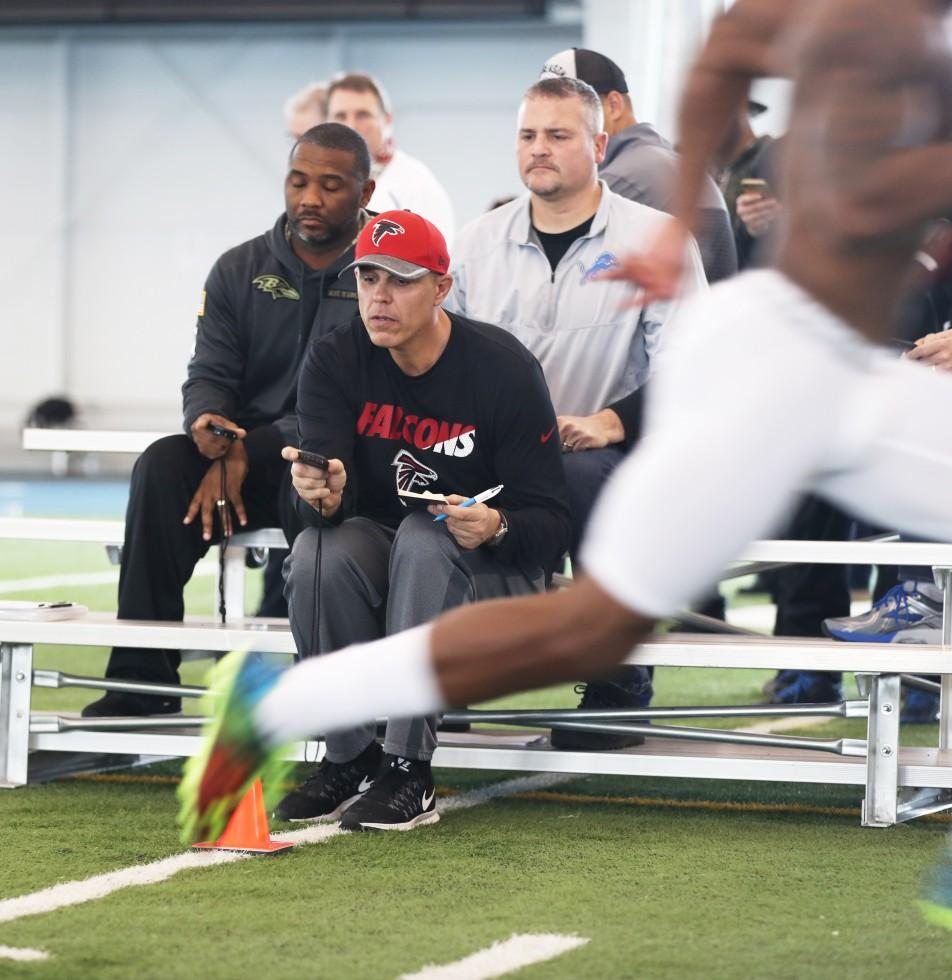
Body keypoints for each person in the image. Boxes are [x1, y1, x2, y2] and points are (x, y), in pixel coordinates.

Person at [182, 1, 952, 943]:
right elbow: (751, 77)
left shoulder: (893, 43)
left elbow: (728, 63)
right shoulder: (881, 36)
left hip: (780, 357)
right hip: (803, 367)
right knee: (582, 614)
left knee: (587, 627)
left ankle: (277, 704)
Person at [272, 209, 570, 830]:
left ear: (442, 288)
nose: (379, 297)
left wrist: (496, 526)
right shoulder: (334, 360)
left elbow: (552, 524)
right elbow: (324, 502)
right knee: (314, 550)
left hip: (497, 572)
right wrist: (319, 497)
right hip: (394, 567)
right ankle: (350, 756)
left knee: (424, 536)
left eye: (401, 281)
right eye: (368, 279)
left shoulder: (502, 368)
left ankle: (409, 768)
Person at [447, 75, 706, 749]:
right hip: (496, 450)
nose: (539, 149)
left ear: (597, 143)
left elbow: (691, 368)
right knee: (429, 486)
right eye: (528, 135)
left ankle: (617, 686)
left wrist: (609, 422)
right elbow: (441, 357)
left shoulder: (658, 241)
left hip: (609, 445)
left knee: (591, 479)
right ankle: (448, 677)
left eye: (558, 136)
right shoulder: (474, 243)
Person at [82, 123, 374, 717]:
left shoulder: (380, 276)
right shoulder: (238, 269)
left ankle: (323, 695)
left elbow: (349, 402)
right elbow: (210, 368)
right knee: (163, 466)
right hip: (237, 459)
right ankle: (141, 680)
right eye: (297, 181)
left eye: (330, 185)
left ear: (365, 193)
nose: (309, 198)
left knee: (315, 486)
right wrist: (209, 424)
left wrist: (255, 452)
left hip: (333, 462)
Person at [540, 47, 736, 284]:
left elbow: (558, 281)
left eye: (571, 110)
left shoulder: (623, 179)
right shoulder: (654, 159)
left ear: (613, 106)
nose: (553, 124)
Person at [327, 72, 455, 242]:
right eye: (340, 116)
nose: (351, 126)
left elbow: (440, 255)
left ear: (387, 120)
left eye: (362, 115)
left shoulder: (415, 183)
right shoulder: (322, 184)